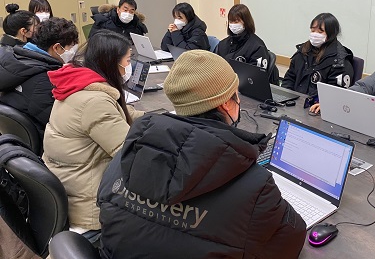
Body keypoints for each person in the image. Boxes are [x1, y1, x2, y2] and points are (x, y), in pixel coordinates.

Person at [98, 50, 306, 258]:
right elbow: (290, 242)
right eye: (236, 94)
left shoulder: (127, 154)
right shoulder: (256, 186)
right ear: (226, 102)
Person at [42, 30, 145, 241]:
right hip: (89, 209)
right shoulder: (95, 102)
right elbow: (130, 153)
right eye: (128, 59)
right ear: (110, 62)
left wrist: (161, 120)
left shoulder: (79, 84)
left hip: (70, 186)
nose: (129, 66)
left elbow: (123, 115)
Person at [0, 17, 79, 139]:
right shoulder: (44, 79)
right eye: (71, 46)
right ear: (57, 48)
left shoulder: (20, 59)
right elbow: (62, 123)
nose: (73, 51)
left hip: (15, 138)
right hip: (42, 141)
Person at [282, 12, 354, 95]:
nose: (315, 34)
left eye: (320, 32)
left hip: (318, 105)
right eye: (313, 30)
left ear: (331, 34)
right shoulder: (303, 51)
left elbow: (336, 94)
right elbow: (289, 78)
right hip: (294, 102)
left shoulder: (339, 61)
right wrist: (286, 97)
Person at [216, 3, 279, 83]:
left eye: (237, 21)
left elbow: (256, 78)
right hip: (224, 85)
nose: (233, 24)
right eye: (231, 21)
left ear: (245, 22)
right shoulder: (223, 44)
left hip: (244, 89)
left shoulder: (257, 47)